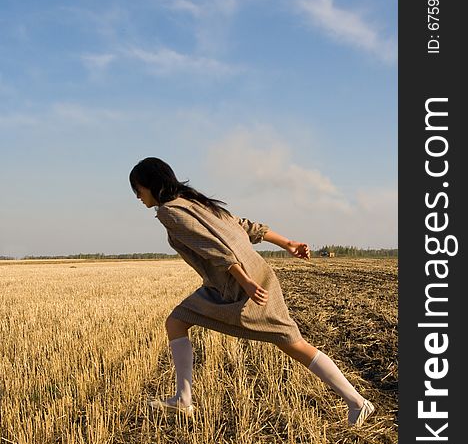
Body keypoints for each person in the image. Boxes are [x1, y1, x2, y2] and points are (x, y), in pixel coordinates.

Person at [129, 157, 375, 427]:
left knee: (292, 342)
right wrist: (287, 243)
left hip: (237, 283)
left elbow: (214, 248)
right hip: (249, 275)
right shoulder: (195, 201)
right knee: (178, 321)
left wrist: (243, 281)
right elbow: (243, 225)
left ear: (150, 183)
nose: (138, 197)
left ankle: (357, 402)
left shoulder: (170, 212)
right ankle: (183, 399)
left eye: (137, 190)